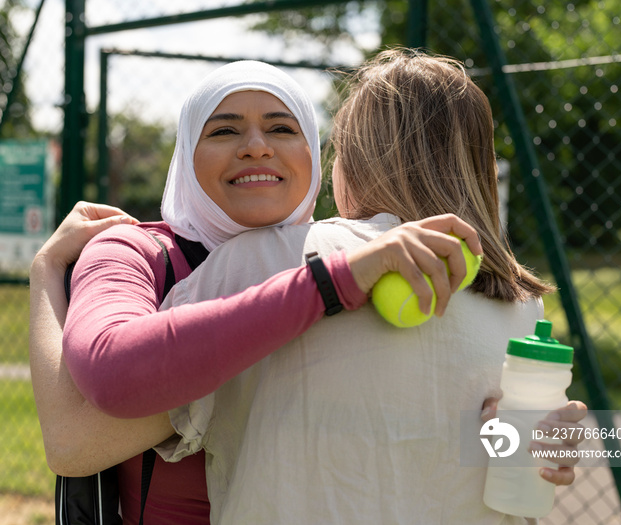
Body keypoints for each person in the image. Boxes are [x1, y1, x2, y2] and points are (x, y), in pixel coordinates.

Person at [31, 60, 488, 524]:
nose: (255, 147)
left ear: (315, 153)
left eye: (283, 128)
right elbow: (81, 426)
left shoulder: (370, 259)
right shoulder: (136, 251)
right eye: (224, 131)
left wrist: (538, 442)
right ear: (186, 153)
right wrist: (45, 270)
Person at [154, 49, 587, 524]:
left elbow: (140, 389)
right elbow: (506, 463)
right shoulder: (521, 309)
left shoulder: (265, 256)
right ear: (480, 167)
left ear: (354, 163)